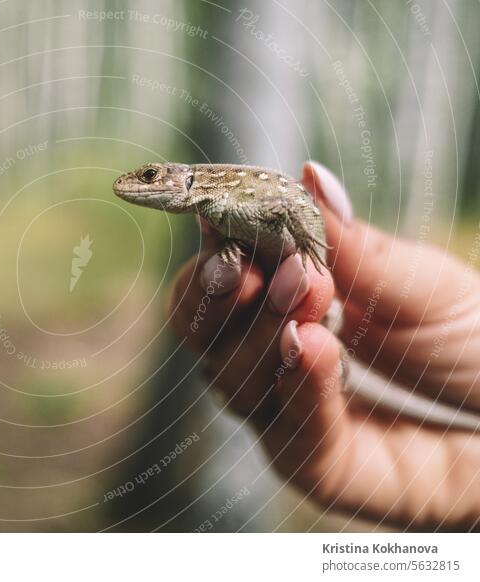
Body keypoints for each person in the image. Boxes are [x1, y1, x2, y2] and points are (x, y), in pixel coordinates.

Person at [170, 161, 480, 530]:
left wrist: (308, 244)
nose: (139, 185)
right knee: (292, 335)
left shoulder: (225, 199)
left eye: (151, 178)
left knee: (307, 328)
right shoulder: (215, 210)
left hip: (324, 293)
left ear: (186, 179)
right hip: (308, 305)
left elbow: (283, 207)